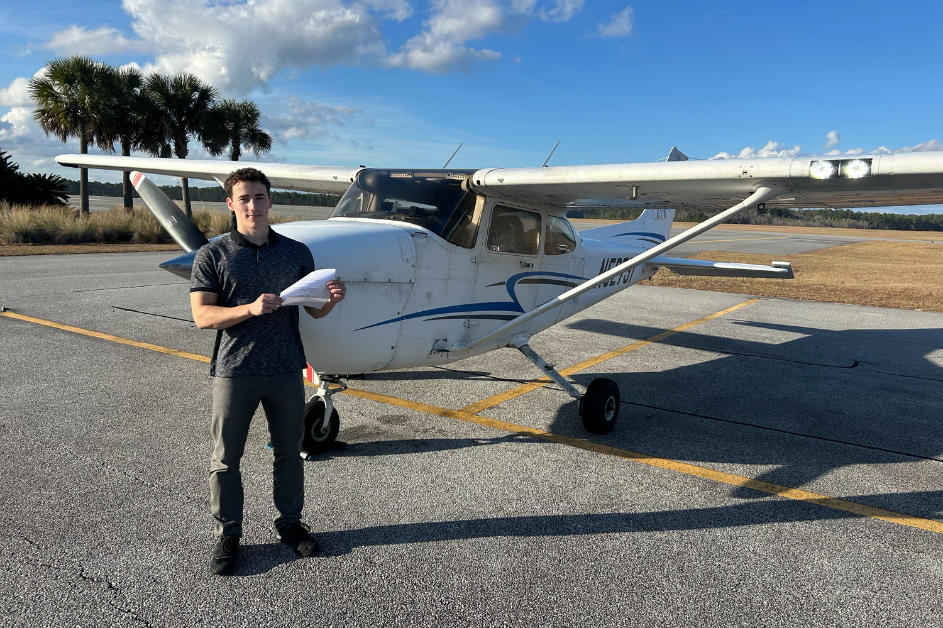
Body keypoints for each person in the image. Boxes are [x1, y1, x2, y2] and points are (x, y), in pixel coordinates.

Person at [189, 167, 346, 576]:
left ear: (270, 201)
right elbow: (203, 316)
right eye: (244, 198)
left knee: (290, 453)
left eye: (260, 197)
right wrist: (250, 308)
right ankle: (229, 532)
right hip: (234, 371)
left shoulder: (296, 253)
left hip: (285, 368)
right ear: (231, 203)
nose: (253, 205)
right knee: (226, 458)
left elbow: (314, 308)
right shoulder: (213, 255)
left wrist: (332, 299)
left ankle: (290, 525)